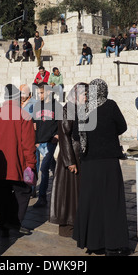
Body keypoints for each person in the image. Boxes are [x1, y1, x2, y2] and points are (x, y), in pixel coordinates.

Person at [73, 79, 130, 256]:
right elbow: (122, 126)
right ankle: (112, 245)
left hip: (89, 163)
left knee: (92, 203)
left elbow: (76, 134)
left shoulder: (83, 109)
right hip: (109, 163)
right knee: (111, 202)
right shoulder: (111, 105)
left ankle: (93, 243)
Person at [0, 84, 37, 237]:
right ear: (17, 98)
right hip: (17, 165)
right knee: (23, 192)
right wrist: (31, 164)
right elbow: (28, 144)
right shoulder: (23, 115)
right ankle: (15, 222)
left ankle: (3, 223)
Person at [50, 82, 88, 237]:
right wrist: (70, 161)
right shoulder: (68, 109)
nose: (86, 98)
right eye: (84, 94)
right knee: (68, 192)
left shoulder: (78, 109)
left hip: (77, 155)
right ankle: (68, 226)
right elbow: (64, 135)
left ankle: (76, 223)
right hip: (70, 156)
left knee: (75, 192)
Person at [32, 82, 63, 208]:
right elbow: (34, 124)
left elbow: (62, 124)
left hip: (51, 142)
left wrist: (57, 136)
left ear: (49, 92)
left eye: (42, 92)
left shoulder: (58, 106)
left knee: (44, 169)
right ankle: (60, 181)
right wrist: (35, 141)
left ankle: (42, 197)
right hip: (39, 142)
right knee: (50, 166)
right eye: (39, 93)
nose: (40, 95)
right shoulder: (37, 105)